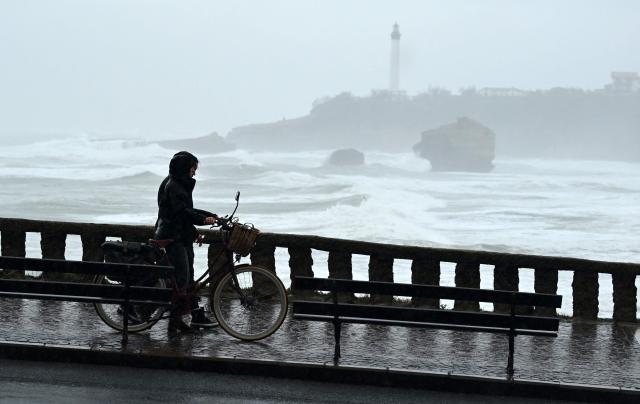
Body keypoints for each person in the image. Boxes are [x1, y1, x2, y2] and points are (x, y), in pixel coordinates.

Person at [155, 151, 218, 332]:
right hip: (172, 237)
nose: (194, 173)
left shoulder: (178, 183)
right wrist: (203, 220)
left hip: (180, 235)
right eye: (193, 169)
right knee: (182, 279)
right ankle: (173, 323)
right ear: (185, 168)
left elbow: (184, 213)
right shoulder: (174, 185)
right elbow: (182, 213)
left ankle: (190, 317)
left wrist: (203, 220)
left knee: (187, 277)